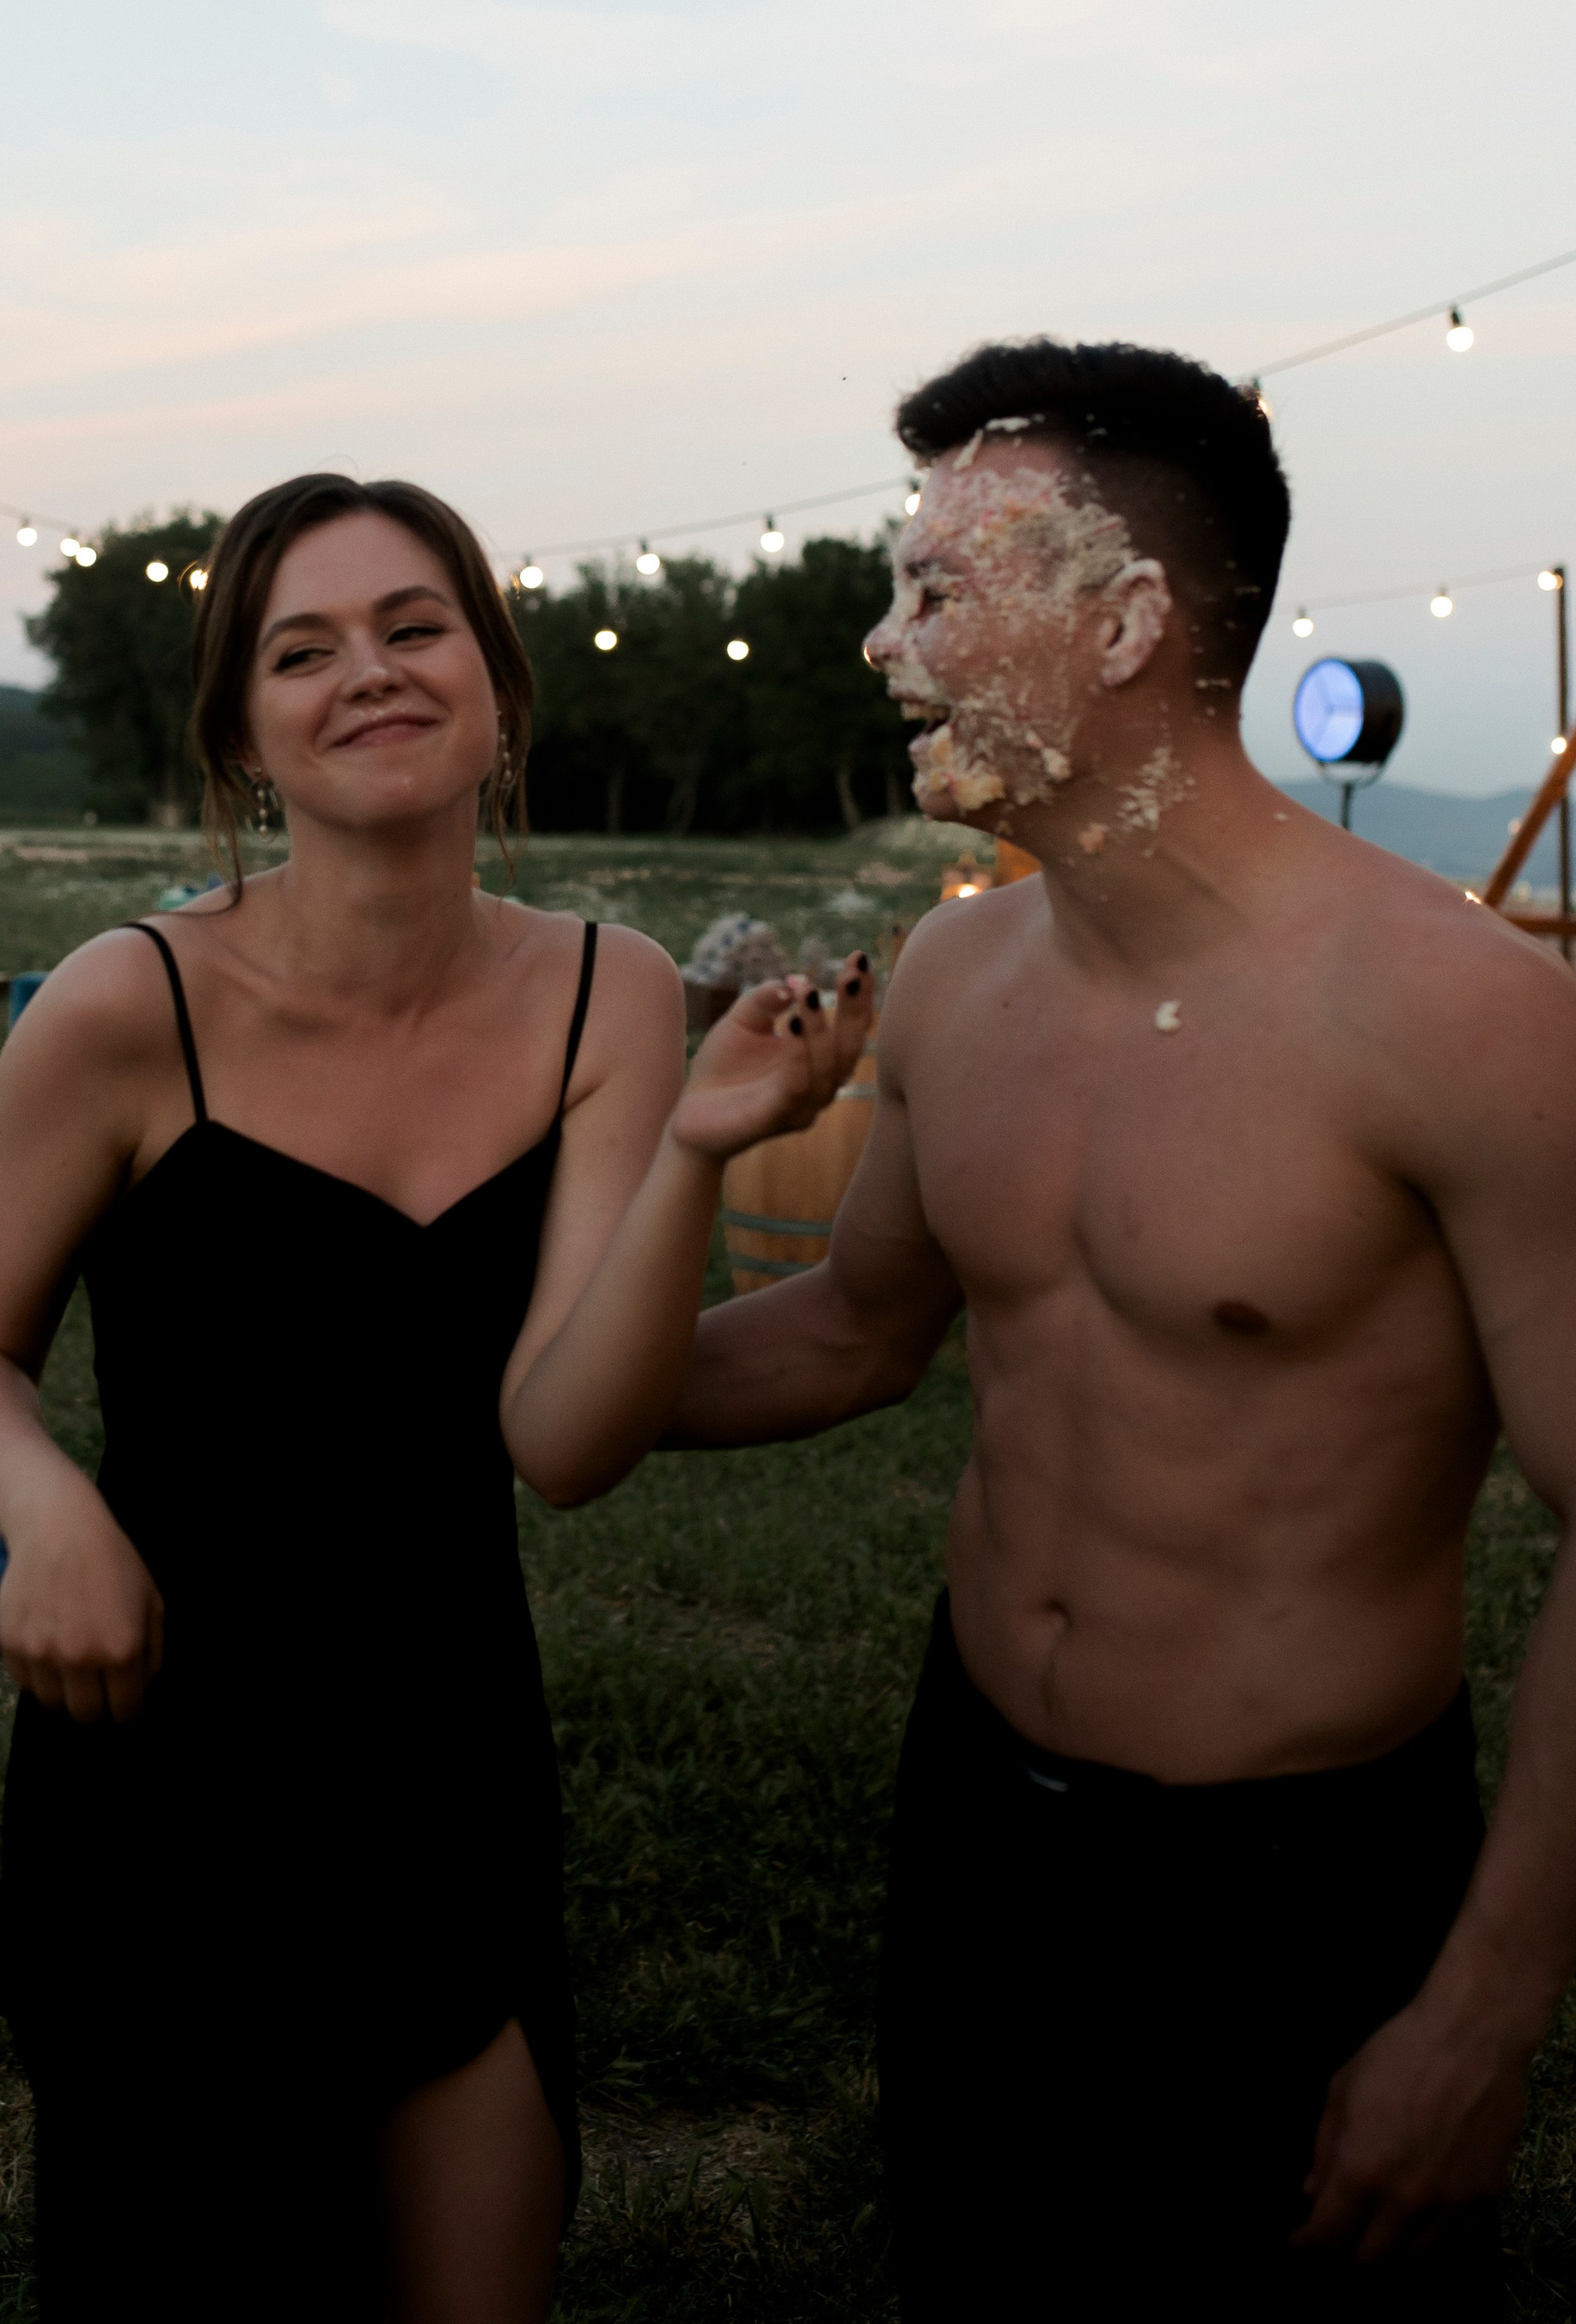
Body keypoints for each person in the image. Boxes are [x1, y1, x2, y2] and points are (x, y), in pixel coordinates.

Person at [664, 338, 1576, 2319]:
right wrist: (539, 1370)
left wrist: (1480, 2014)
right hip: (974, 1819)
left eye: (933, 591)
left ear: (1123, 620)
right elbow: (849, 1335)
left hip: (1297, 1887)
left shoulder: (1459, 1018)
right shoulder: (963, 972)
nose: (879, 644)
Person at [0, 471, 872, 2322]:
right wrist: (48, 1511)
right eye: (302, 648)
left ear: (497, 691)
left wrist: (690, 1153)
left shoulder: (612, 996)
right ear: (242, 736)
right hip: (166, 1745)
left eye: (414, 626)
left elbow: (566, 1445)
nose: (369, 671)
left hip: (442, 1741)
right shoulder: (124, 1007)